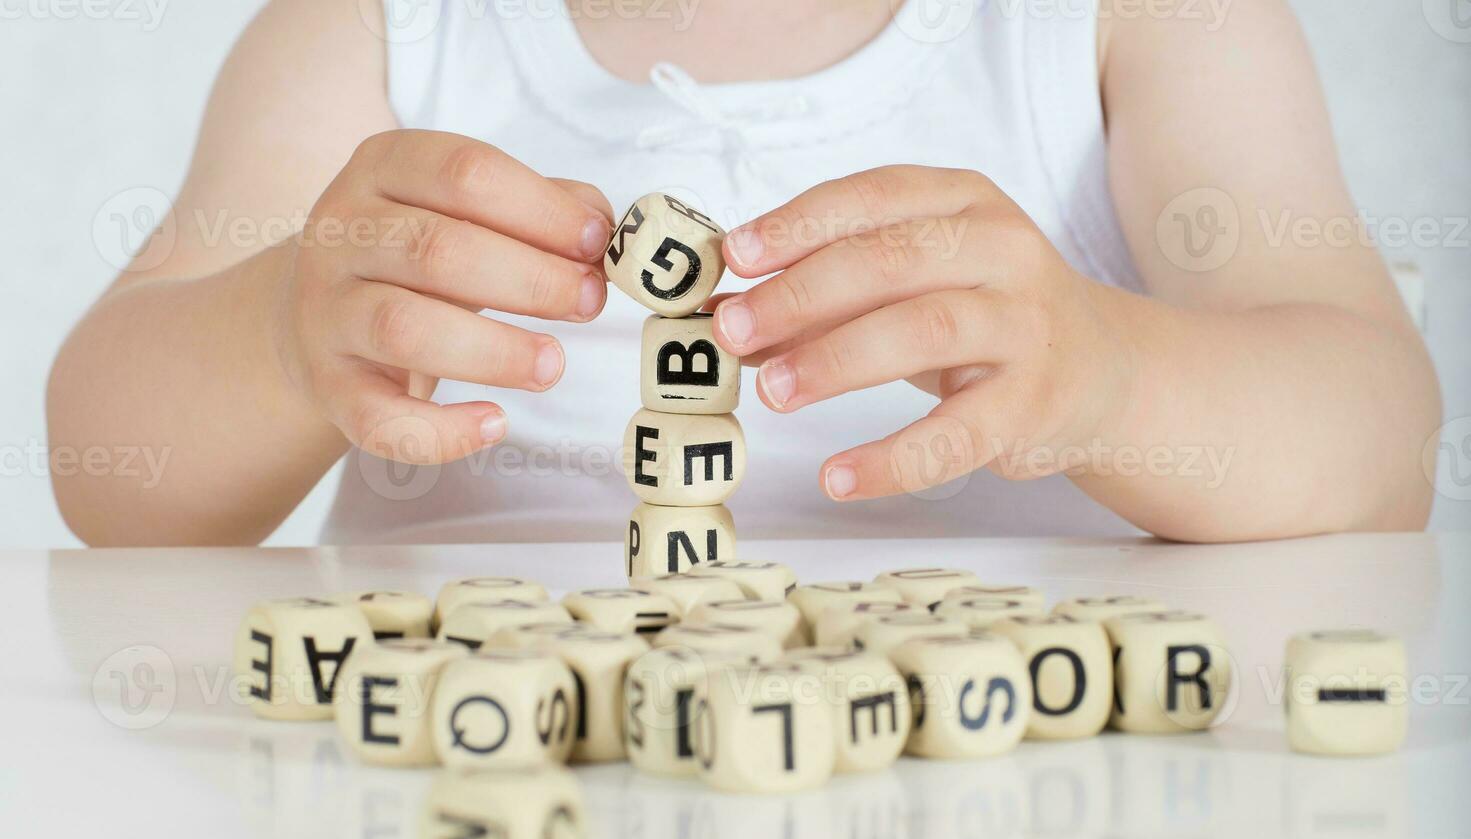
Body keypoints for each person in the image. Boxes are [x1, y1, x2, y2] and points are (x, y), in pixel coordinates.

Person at [46, 0, 1440, 546]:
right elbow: (111, 465)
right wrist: (282, 343)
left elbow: (1377, 446)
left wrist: (1114, 380)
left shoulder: (1140, 24)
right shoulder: (380, 32)